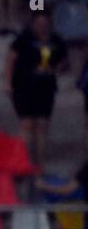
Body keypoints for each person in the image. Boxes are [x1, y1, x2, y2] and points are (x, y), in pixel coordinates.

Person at [7, 11, 68, 164]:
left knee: (42, 125)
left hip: (46, 88)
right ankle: (22, 161)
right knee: (27, 124)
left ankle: (40, 163)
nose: (42, 27)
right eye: (39, 24)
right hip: (24, 87)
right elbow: (11, 60)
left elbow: (64, 62)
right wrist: (8, 83)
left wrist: (55, 69)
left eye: (45, 24)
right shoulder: (24, 39)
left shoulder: (56, 40)